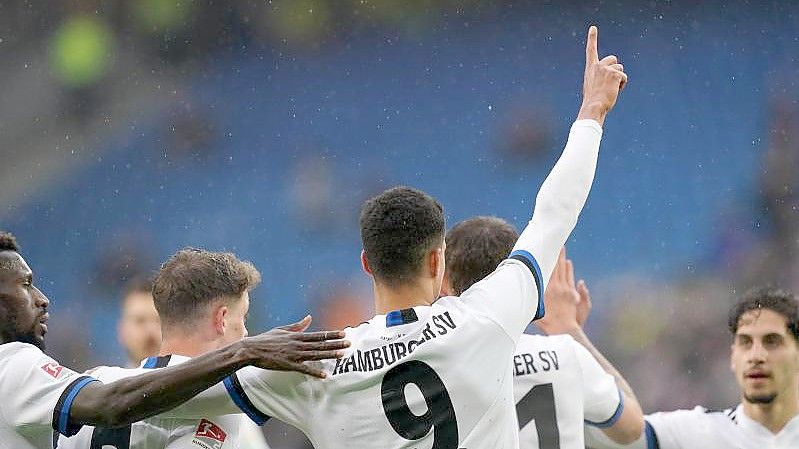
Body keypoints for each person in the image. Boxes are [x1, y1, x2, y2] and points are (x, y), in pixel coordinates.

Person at [148, 25, 627, 449]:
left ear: (366, 264)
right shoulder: (487, 317)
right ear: (438, 263)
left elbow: (162, 391)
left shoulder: (315, 363)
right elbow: (552, 216)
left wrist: (79, 392)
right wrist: (592, 111)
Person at [0, 231, 350, 449]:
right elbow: (113, 404)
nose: (43, 298)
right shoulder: (224, 404)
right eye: (243, 322)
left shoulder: (96, 381)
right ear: (223, 318)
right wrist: (246, 352)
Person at [440, 216, 644, 448]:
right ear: (526, 279)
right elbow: (632, 428)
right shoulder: (566, 354)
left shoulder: (438, 366)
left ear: (444, 283)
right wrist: (569, 330)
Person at [585, 285, 799, 449]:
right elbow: (627, 430)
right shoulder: (699, 433)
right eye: (745, 342)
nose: (756, 356)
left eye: (772, 342)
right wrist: (572, 332)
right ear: (733, 356)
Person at [117, 276, 161, 367]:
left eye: (159, 320)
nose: (150, 329)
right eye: (140, 321)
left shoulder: (191, 380)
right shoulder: (106, 381)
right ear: (122, 330)